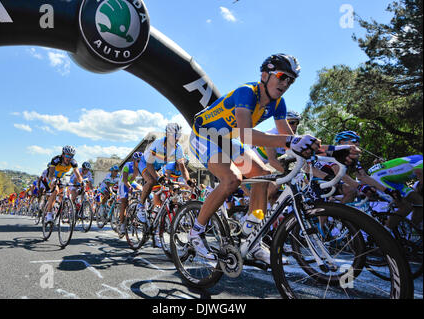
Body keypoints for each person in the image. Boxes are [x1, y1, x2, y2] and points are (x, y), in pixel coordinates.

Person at [188, 53, 359, 262]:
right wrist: (289, 142)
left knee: (263, 174)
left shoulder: (279, 104)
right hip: (205, 135)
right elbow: (247, 134)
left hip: (228, 138)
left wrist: (333, 151)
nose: (286, 83)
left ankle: (252, 238)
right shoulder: (246, 92)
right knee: (232, 179)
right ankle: (196, 232)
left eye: (291, 79)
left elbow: (296, 142)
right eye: (281, 76)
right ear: (265, 75)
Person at [136, 123, 195, 224]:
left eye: (178, 136)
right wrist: (158, 177)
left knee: (164, 188)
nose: (176, 139)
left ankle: (157, 214)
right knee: (151, 181)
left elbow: (182, 167)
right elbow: (150, 165)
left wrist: (188, 180)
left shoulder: (178, 148)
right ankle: (140, 206)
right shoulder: (158, 144)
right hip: (145, 163)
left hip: (157, 167)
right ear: (167, 135)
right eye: (174, 136)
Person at [368, 154, 423, 229]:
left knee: (420, 202)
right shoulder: (421, 161)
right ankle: (386, 232)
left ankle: (413, 230)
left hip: (394, 182)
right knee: (406, 207)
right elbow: (419, 174)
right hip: (380, 179)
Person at [45, 146, 84, 223]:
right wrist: (53, 180)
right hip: (52, 176)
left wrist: (81, 182)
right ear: (63, 154)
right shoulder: (56, 160)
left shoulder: (73, 162)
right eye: (67, 155)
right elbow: (50, 174)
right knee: (55, 191)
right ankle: (48, 214)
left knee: (63, 195)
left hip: (62, 177)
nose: (69, 158)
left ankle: (58, 211)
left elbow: (78, 175)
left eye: (71, 156)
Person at [118, 152, 143, 236]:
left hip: (132, 182)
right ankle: (122, 225)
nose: (139, 162)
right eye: (138, 161)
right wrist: (130, 188)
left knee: (143, 190)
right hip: (123, 183)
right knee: (124, 202)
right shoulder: (127, 165)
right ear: (134, 160)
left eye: (141, 160)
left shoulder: (141, 166)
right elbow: (125, 180)